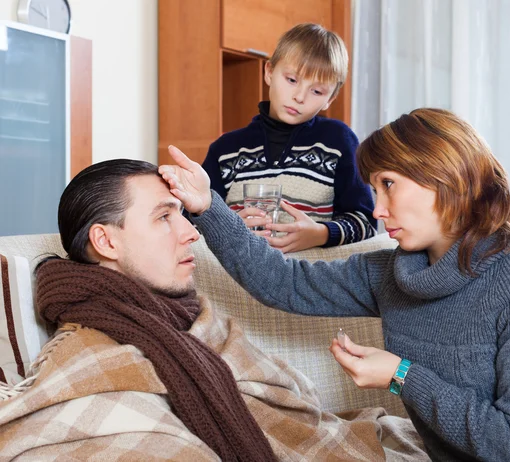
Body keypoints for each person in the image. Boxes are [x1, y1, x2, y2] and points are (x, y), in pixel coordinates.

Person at [160, 108, 510, 461]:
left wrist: (402, 375)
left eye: (389, 185)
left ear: (446, 177)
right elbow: (281, 282)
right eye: (374, 190)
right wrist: (209, 206)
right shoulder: (393, 273)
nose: (377, 210)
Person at [2, 159, 428, 460]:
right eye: (164, 217)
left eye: (183, 215)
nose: (191, 232)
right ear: (107, 242)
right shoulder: (86, 354)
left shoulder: (196, 320)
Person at [202, 23, 376, 253]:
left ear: (330, 100)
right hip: (235, 277)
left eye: (317, 91)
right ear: (269, 72)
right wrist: (227, 227)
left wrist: (321, 234)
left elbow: (366, 223)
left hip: (308, 277)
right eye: (292, 80)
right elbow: (194, 222)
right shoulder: (224, 150)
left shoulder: (339, 141)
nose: (299, 97)